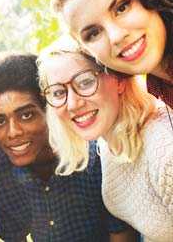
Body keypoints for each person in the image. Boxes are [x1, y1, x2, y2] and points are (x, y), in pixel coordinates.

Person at [0, 53, 135, 241]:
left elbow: (122, 234)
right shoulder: (0, 171)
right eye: (0, 121)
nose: (13, 132)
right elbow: (13, 236)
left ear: (50, 110)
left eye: (26, 115)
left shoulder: (95, 158)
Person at [37, 44, 173, 241]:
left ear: (118, 80)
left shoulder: (164, 150)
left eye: (85, 82)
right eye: (58, 92)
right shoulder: (106, 143)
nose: (73, 104)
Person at [51, 0, 173, 107]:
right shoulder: (157, 87)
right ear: (87, 51)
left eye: (121, 8)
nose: (116, 36)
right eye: (94, 33)